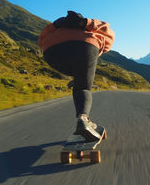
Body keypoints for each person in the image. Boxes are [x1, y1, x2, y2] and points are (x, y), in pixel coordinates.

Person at [38, 11, 115, 141]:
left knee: (79, 79)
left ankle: (77, 82)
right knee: (83, 87)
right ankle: (83, 119)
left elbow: (41, 39)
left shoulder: (55, 27)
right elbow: (110, 34)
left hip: (52, 51)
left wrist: (56, 25)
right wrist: (87, 23)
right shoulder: (95, 28)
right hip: (85, 46)